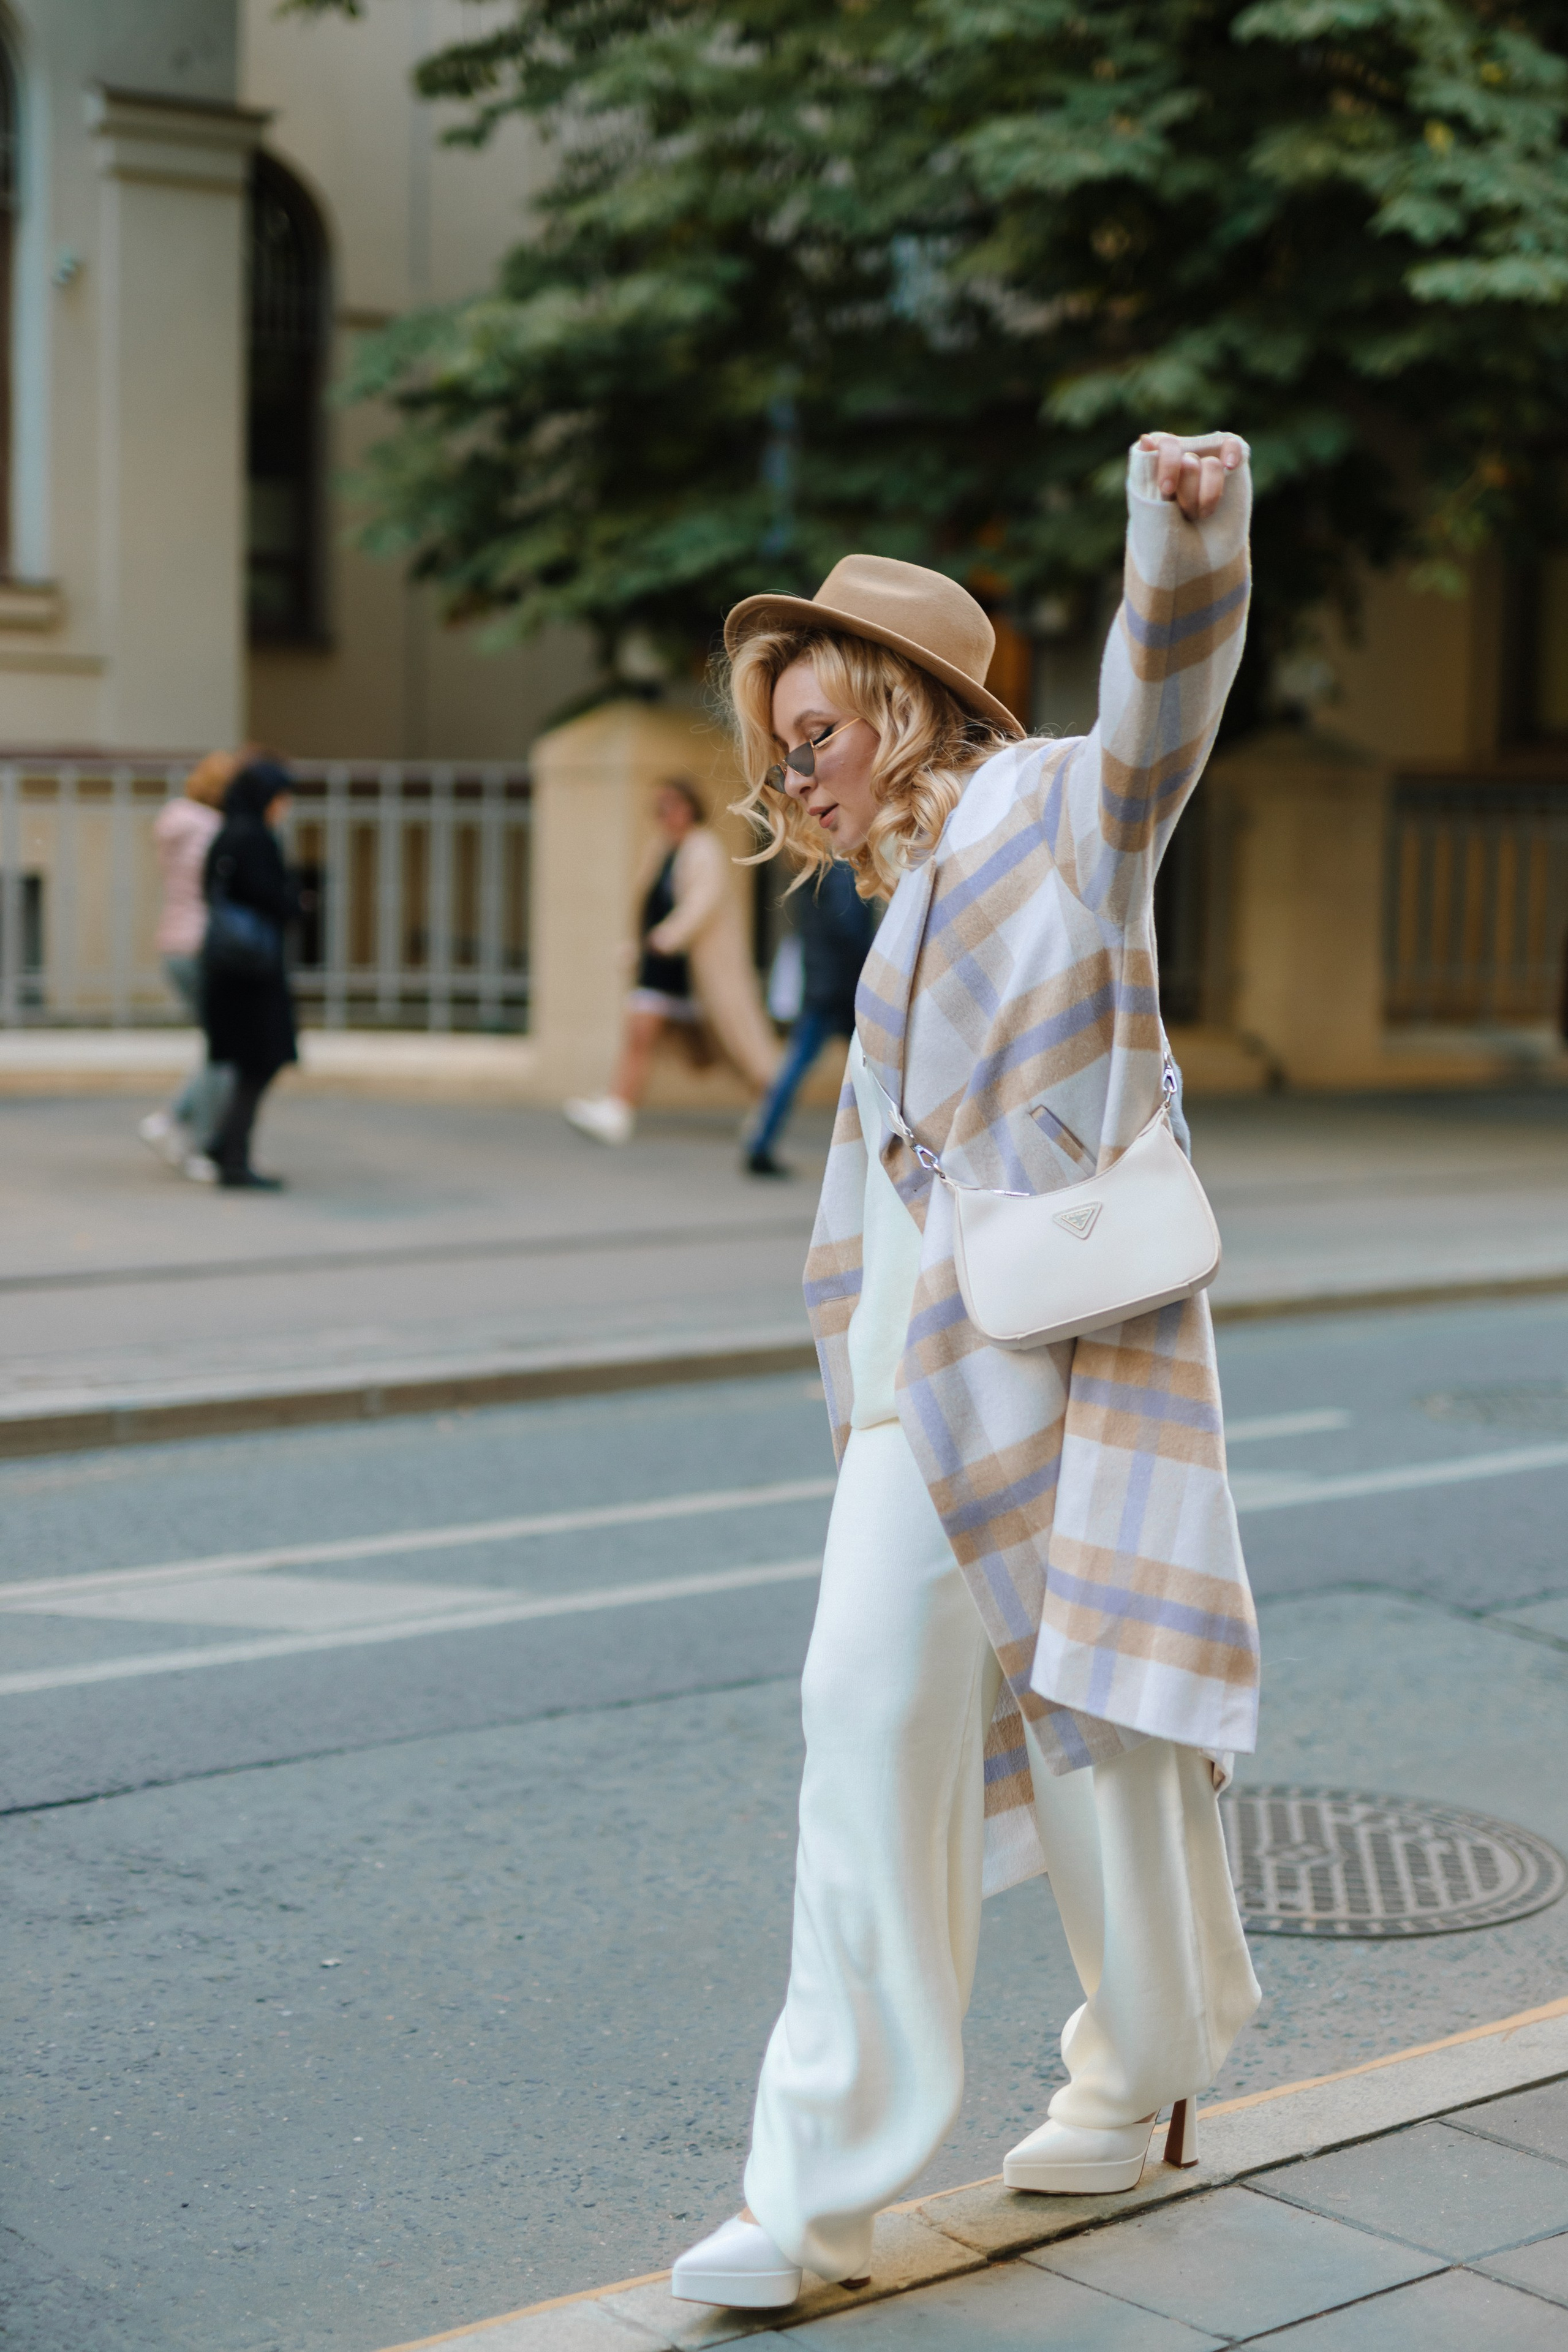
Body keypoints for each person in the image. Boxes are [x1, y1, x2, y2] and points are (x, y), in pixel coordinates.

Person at [669, 432, 1262, 2313]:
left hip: (1055, 1357)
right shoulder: (895, 906)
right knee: (863, 1716)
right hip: (919, 1389)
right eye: (773, 747)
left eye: (813, 727)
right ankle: (815, 2191)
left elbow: (1152, 715)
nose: (790, 773)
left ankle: (1148, 2055)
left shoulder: (1047, 817)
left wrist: (1179, 538)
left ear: (911, 706)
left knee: (1111, 1744)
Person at [565, 776, 780, 1145]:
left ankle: (773, 1104)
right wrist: (639, 947)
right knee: (639, 1033)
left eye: (670, 806)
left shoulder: (704, 849)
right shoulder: (660, 850)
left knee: (734, 1045)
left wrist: (669, 937)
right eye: (658, 808)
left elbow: (703, 902)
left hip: (698, 968)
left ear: (689, 808)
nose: (664, 815)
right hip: (662, 967)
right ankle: (618, 1108)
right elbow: (649, 907)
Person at [189, 759, 306, 1190]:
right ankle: (232, 1155)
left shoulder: (226, 833)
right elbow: (272, 898)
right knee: (261, 1059)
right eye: (282, 798)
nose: (285, 806)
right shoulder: (255, 837)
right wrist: (297, 902)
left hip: (228, 967)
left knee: (248, 1062)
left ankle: (226, 1144)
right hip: (252, 971)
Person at [138, 749, 240, 1167]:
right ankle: (187, 1132)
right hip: (204, 945)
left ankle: (176, 1123)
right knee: (227, 1048)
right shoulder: (213, 831)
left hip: (175, 944)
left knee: (221, 1044)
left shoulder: (175, 824)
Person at [742, 860, 876, 1178]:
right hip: (843, 989)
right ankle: (761, 1142)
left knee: (804, 1065)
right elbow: (851, 930)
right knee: (873, 1070)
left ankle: (761, 1141)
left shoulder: (816, 873)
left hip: (822, 984)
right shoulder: (842, 873)